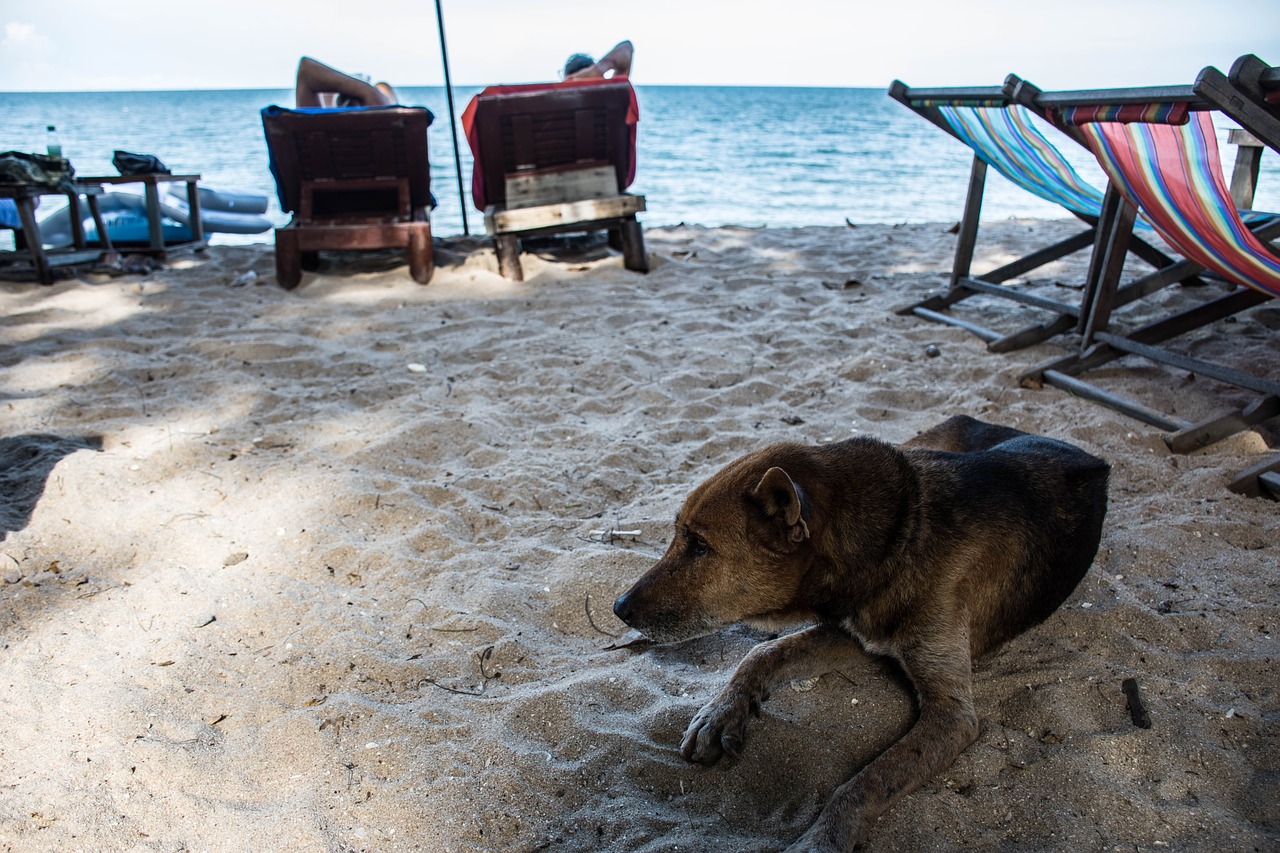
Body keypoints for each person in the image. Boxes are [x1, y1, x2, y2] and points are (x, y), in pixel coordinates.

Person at [295, 56, 399, 108]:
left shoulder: (314, 133)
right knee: (384, 88)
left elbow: (305, 70)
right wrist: (372, 93)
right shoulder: (389, 140)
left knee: (327, 94)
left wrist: (368, 91)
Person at [562, 40, 633, 80]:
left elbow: (626, 48)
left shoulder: (558, 98)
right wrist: (596, 71)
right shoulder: (613, 96)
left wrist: (594, 72)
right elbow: (626, 48)